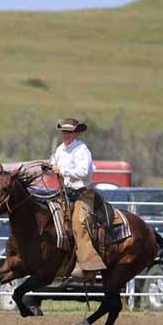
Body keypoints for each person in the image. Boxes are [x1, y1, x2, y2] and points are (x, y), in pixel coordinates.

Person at [42, 118, 106, 283]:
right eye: (64, 131)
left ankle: (88, 266)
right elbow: (53, 166)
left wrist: (61, 170)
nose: (66, 134)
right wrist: (48, 169)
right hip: (64, 194)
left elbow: (84, 172)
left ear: (76, 133)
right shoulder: (60, 149)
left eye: (69, 131)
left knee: (79, 223)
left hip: (81, 194)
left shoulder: (81, 149)